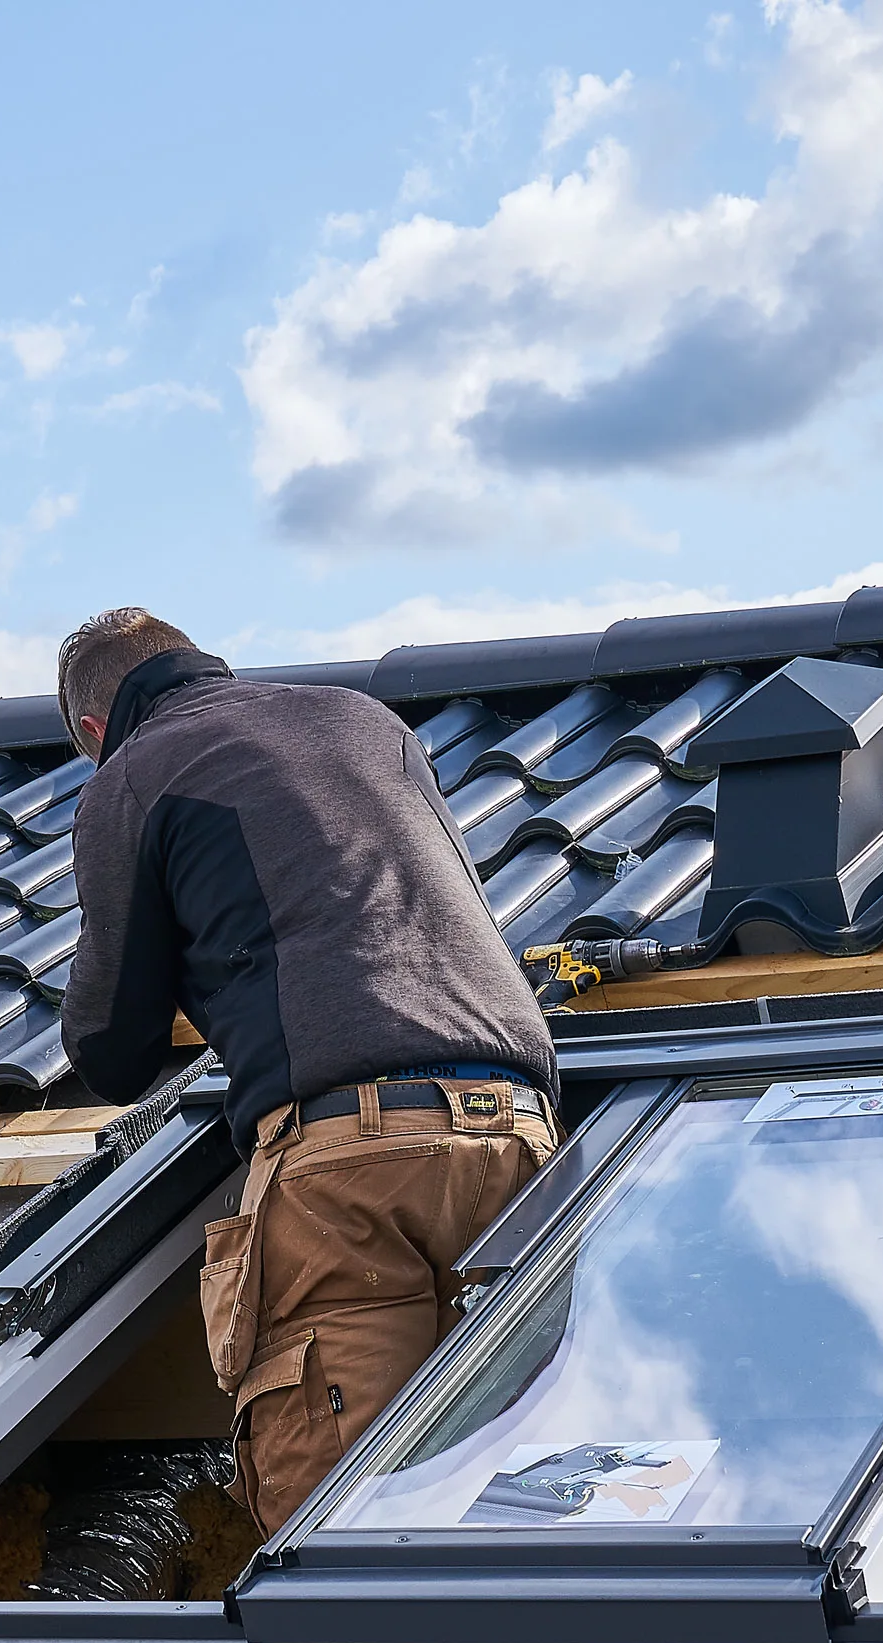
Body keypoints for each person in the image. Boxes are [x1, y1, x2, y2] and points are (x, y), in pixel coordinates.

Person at [56, 608, 559, 1533]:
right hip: (522, 1135)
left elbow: (112, 1049)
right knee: (517, 1493)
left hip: (351, 1166)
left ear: (95, 730)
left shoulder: (132, 776)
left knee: (337, 1522)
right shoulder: (365, 722)